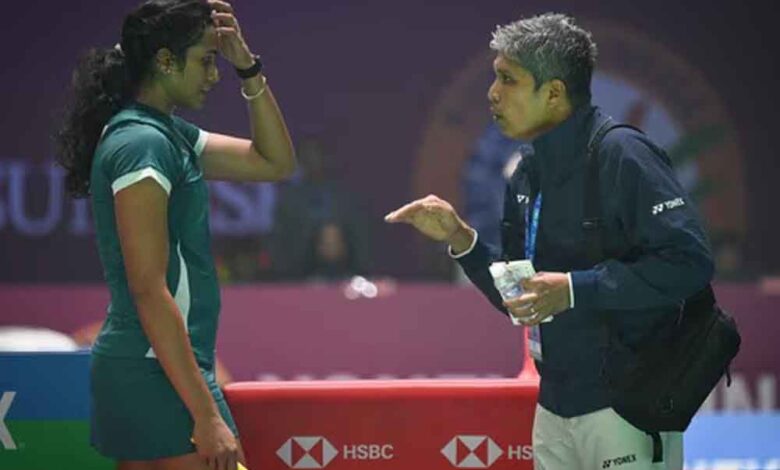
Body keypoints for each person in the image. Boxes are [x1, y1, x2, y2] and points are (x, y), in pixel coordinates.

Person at [386, 13, 713, 470]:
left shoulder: (623, 154)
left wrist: (574, 289)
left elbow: (689, 262)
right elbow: (520, 299)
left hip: (627, 408)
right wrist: (463, 240)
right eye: (494, 77)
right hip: (554, 409)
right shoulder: (526, 172)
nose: (492, 93)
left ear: (554, 93)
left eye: (508, 79)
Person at [54, 1, 295, 469]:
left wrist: (248, 68)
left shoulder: (167, 135)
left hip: (157, 366)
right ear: (166, 61)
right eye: (206, 60)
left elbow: (275, 162)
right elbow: (148, 287)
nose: (214, 75)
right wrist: (206, 415)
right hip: (157, 370)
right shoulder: (141, 144)